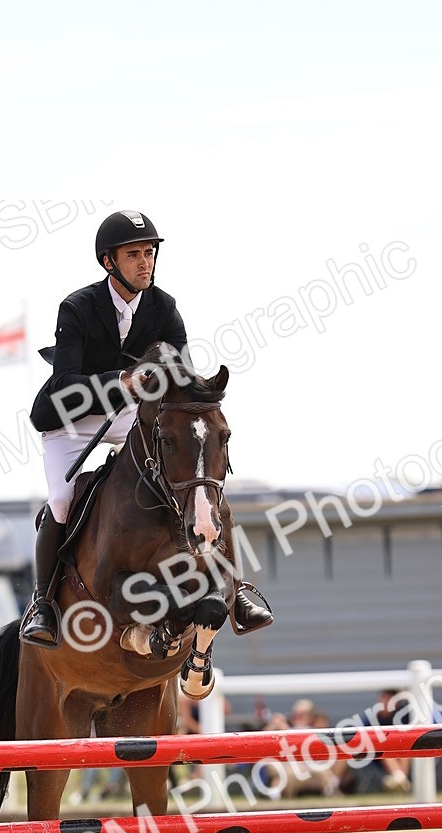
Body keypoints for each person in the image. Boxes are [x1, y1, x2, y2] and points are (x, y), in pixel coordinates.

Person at [22, 209, 273, 647]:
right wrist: (122, 381)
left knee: (193, 478)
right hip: (71, 417)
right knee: (62, 500)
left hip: (130, 413)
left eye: (150, 253)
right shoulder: (78, 307)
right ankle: (42, 602)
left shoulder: (164, 307)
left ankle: (237, 592)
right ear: (108, 262)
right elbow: (64, 386)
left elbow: (182, 377)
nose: (145, 263)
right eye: (134, 254)